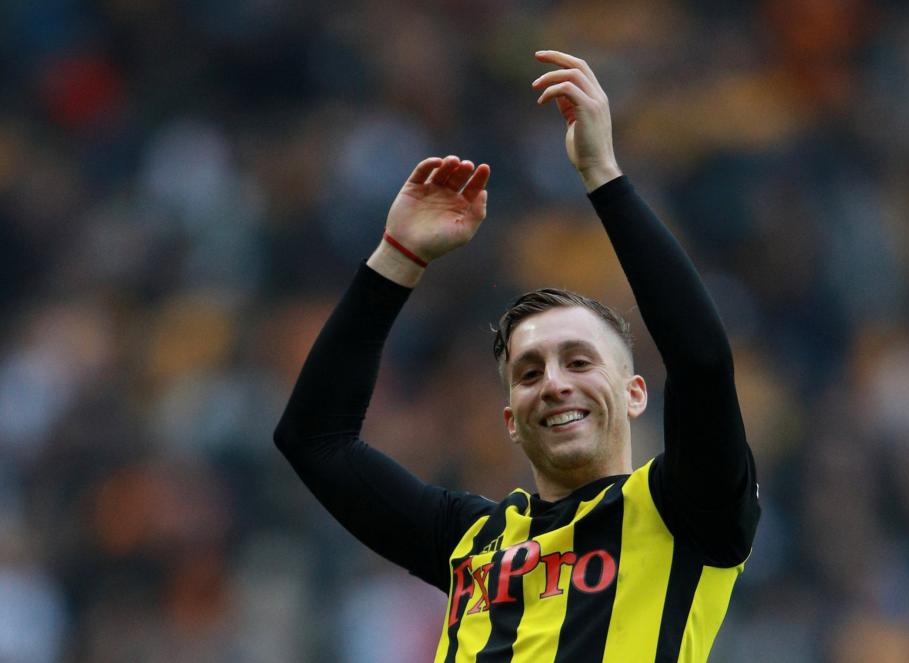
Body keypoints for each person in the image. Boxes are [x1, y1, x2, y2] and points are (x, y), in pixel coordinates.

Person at [274, 49, 760, 662]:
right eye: (529, 373)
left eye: (580, 362)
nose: (554, 383)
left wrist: (603, 175)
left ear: (637, 392)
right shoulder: (470, 541)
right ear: (510, 419)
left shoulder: (685, 513)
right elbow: (312, 439)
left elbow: (703, 363)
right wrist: (398, 255)